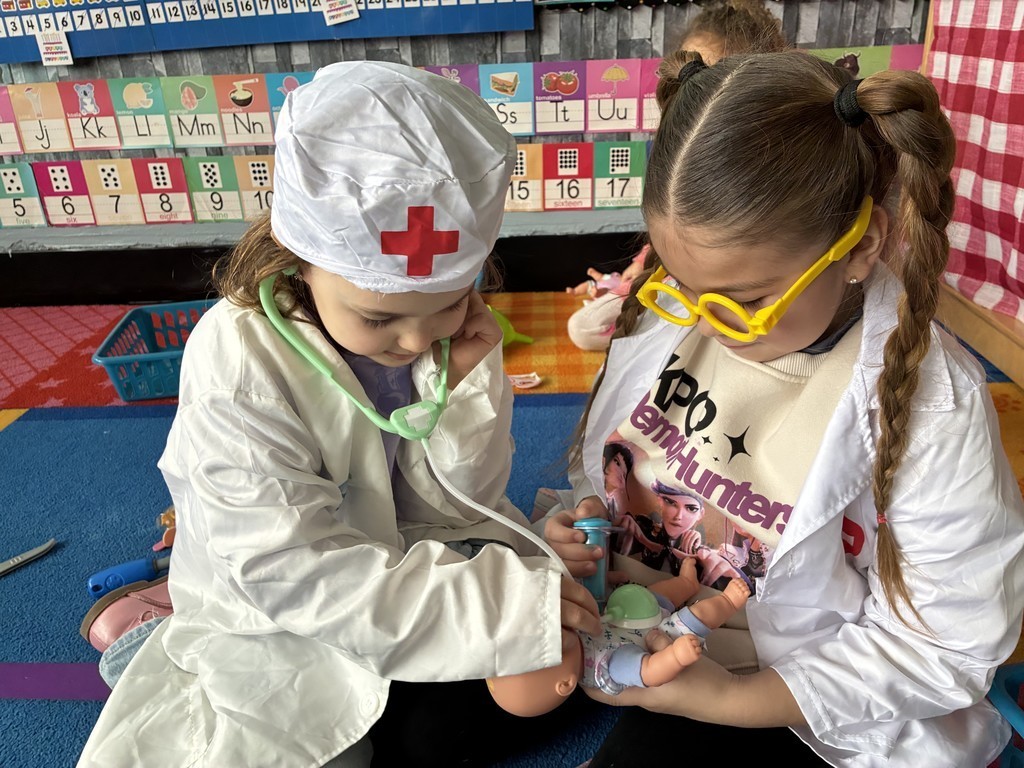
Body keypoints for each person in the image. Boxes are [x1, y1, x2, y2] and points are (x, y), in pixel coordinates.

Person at [75, 61, 602, 768]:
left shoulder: (446, 335)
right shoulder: (238, 361)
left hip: (398, 569)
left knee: (448, 728)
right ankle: (156, 621)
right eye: (381, 317)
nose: (418, 342)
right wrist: (502, 608)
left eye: (447, 302)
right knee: (322, 751)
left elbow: (459, 502)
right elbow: (294, 571)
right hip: (283, 597)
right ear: (297, 266)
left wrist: (472, 393)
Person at [544, 48, 1024, 767]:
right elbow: (621, 466)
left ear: (859, 248)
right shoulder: (687, 310)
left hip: (799, 694)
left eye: (746, 304)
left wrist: (726, 700)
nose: (703, 326)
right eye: (681, 283)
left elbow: (942, 645)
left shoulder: (933, 406)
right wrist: (585, 531)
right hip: (632, 618)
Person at [565, 0, 789, 352]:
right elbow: (670, 231)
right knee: (585, 327)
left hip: (737, 310)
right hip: (680, 289)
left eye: (716, 78)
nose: (700, 96)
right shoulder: (673, 148)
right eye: (691, 79)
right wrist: (641, 266)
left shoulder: (776, 158)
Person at [487, 558, 750, 716]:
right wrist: (675, 656)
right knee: (697, 616)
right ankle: (727, 601)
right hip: (661, 637)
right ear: (565, 683)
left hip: (631, 614)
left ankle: (687, 584)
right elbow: (648, 673)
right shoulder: (607, 668)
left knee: (654, 594)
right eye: (535, 654)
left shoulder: (571, 633)